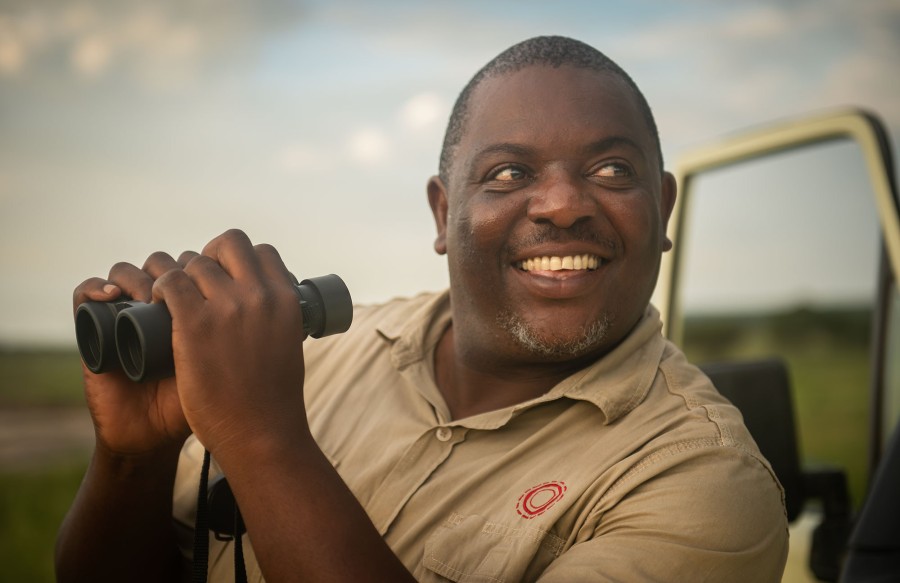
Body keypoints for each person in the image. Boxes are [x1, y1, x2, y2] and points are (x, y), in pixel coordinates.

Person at [56, 36, 788, 582]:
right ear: (444, 213)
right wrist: (132, 460)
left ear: (661, 209)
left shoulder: (704, 484)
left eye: (610, 169)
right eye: (509, 172)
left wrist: (265, 439)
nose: (564, 203)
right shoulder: (323, 355)